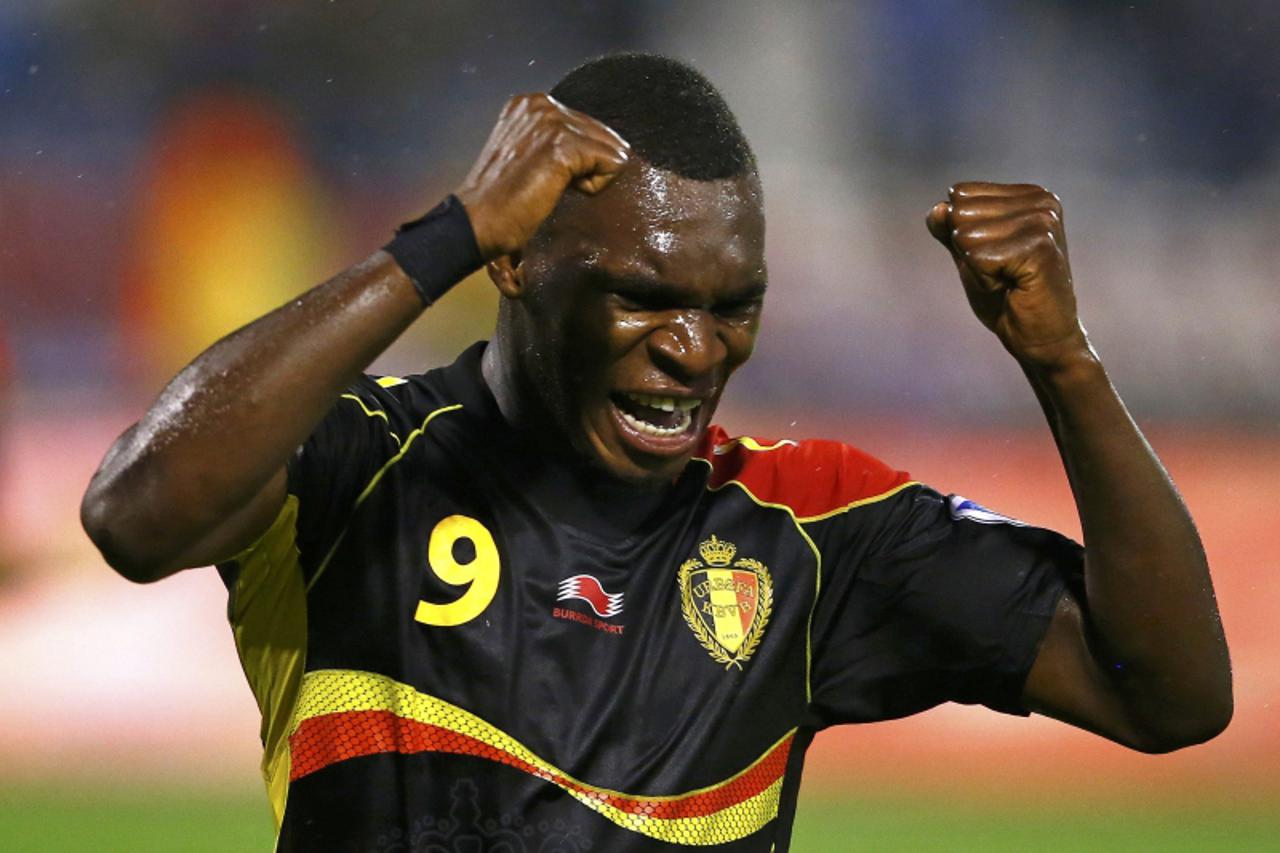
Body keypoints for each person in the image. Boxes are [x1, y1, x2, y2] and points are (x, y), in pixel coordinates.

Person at [81, 53, 1231, 852]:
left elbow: (1169, 695)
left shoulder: (809, 531)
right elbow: (136, 514)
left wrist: (1062, 362)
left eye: (733, 305)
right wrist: (445, 235)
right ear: (516, 265)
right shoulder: (365, 461)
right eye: (639, 299)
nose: (693, 349)